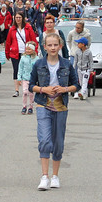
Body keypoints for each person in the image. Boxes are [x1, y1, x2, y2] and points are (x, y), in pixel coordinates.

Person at [28, 32, 79, 191]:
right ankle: (44, 176)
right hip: (43, 105)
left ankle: (55, 176)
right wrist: (44, 89)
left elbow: (75, 85)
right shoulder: (38, 64)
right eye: (49, 45)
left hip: (61, 106)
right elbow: (31, 86)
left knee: (58, 142)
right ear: (44, 47)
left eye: (55, 45)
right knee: (44, 140)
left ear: (60, 46)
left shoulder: (66, 64)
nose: (52, 48)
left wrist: (64, 89)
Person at [4, 12, 37, 97]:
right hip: (15, 52)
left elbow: (33, 40)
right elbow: (8, 42)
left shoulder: (28, 28)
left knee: (28, 69)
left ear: (22, 18)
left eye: (19, 17)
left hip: (27, 52)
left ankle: (28, 87)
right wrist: (7, 53)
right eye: (16, 17)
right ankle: (17, 90)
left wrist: (35, 50)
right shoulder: (12, 29)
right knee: (16, 70)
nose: (18, 19)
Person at [17, 41, 38, 114]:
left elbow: (37, 69)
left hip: (32, 79)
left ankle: (31, 107)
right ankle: (24, 106)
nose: (28, 51)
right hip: (25, 78)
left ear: (33, 50)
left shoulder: (36, 59)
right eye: (27, 49)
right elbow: (20, 68)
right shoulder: (23, 58)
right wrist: (19, 78)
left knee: (31, 94)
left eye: (30, 49)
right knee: (25, 92)